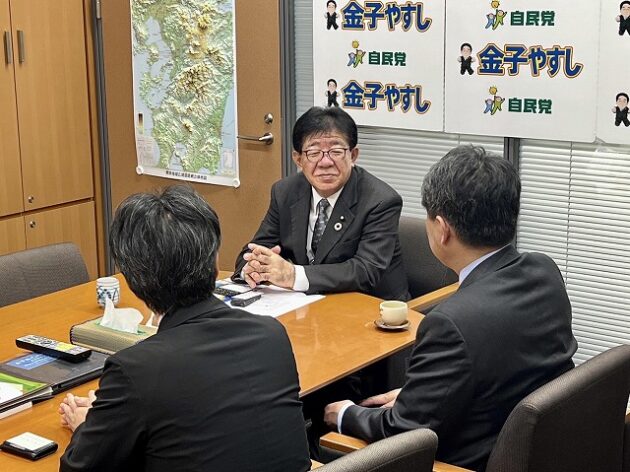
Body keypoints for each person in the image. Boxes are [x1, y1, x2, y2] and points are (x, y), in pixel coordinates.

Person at [324, 145, 577, 471]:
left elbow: (402, 431)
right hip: (538, 446)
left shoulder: (449, 323)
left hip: (465, 460)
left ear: (442, 229)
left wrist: (344, 414)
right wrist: (419, 394)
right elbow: (506, 365)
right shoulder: (544, 271)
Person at [59, 186, 310, 472]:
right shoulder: (271, 334)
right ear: (215, 261)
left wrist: (88, 425)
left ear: (133, 278)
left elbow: (79, 468)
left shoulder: (135, 371)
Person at [233, 106, 408, 301]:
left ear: (353, 156)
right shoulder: (285, 192)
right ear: (298, 159)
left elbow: (366, 270)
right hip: (309, 303)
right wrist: (253, 267)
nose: (325, 162)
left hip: (373, 307)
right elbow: (256, 248)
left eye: (336, 151)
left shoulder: (381, 201)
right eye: (314, 152)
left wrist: (293, 275)